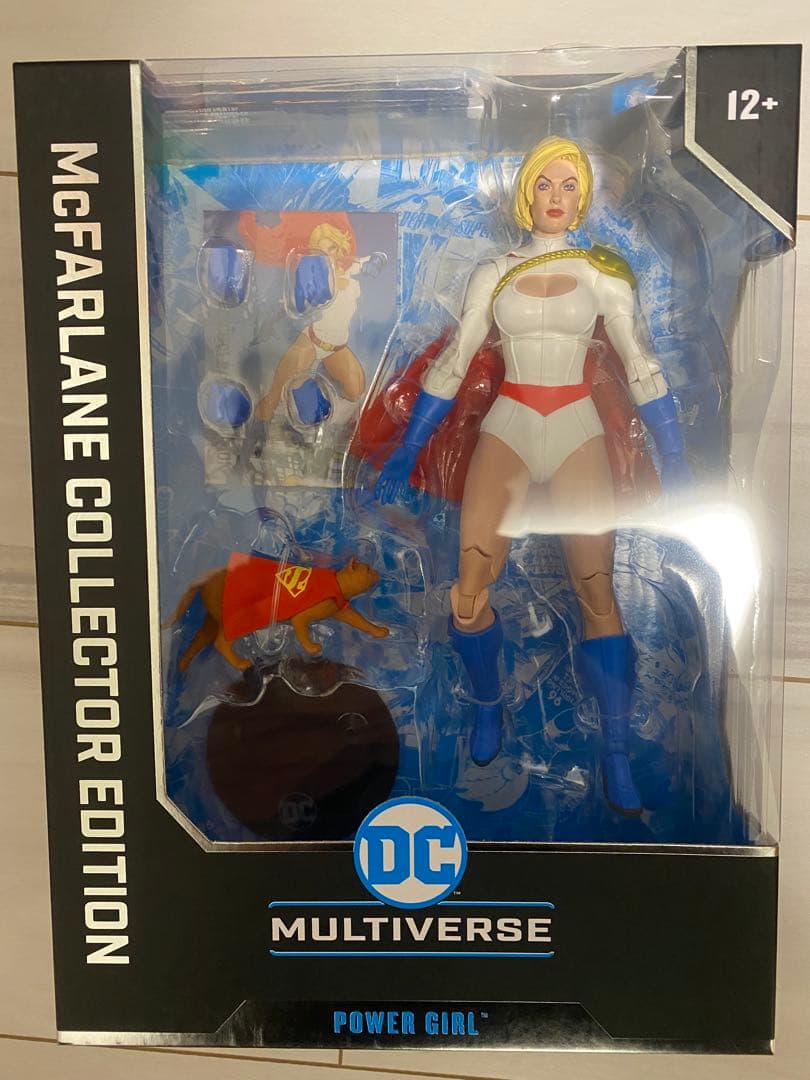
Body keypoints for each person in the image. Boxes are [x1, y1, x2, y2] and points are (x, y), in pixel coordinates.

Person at [375, 136, 689, 816]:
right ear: (526, 192)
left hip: (576, 425)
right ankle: (488, 703)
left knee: (596, 588)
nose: (556, 196)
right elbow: (454, 362)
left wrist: (678, 458)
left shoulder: (604, 271)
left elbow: (640, 363)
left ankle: (614, 748)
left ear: (584, 196)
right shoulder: (494, 270)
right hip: (510, 423)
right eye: (545, 183)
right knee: (468, 591)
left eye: (569, 185)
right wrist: (408, 447)